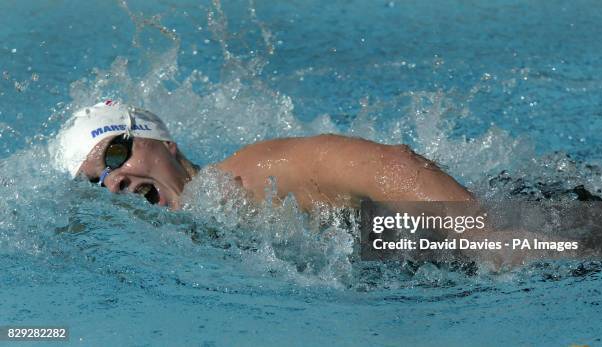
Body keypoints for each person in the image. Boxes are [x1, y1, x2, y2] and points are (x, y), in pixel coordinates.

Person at [52, 100, 474, 211]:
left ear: (164, 142)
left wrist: (480, 236)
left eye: (116, 155)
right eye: (97, 181)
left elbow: (391, 165)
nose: (112, 181)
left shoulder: (253, 175)